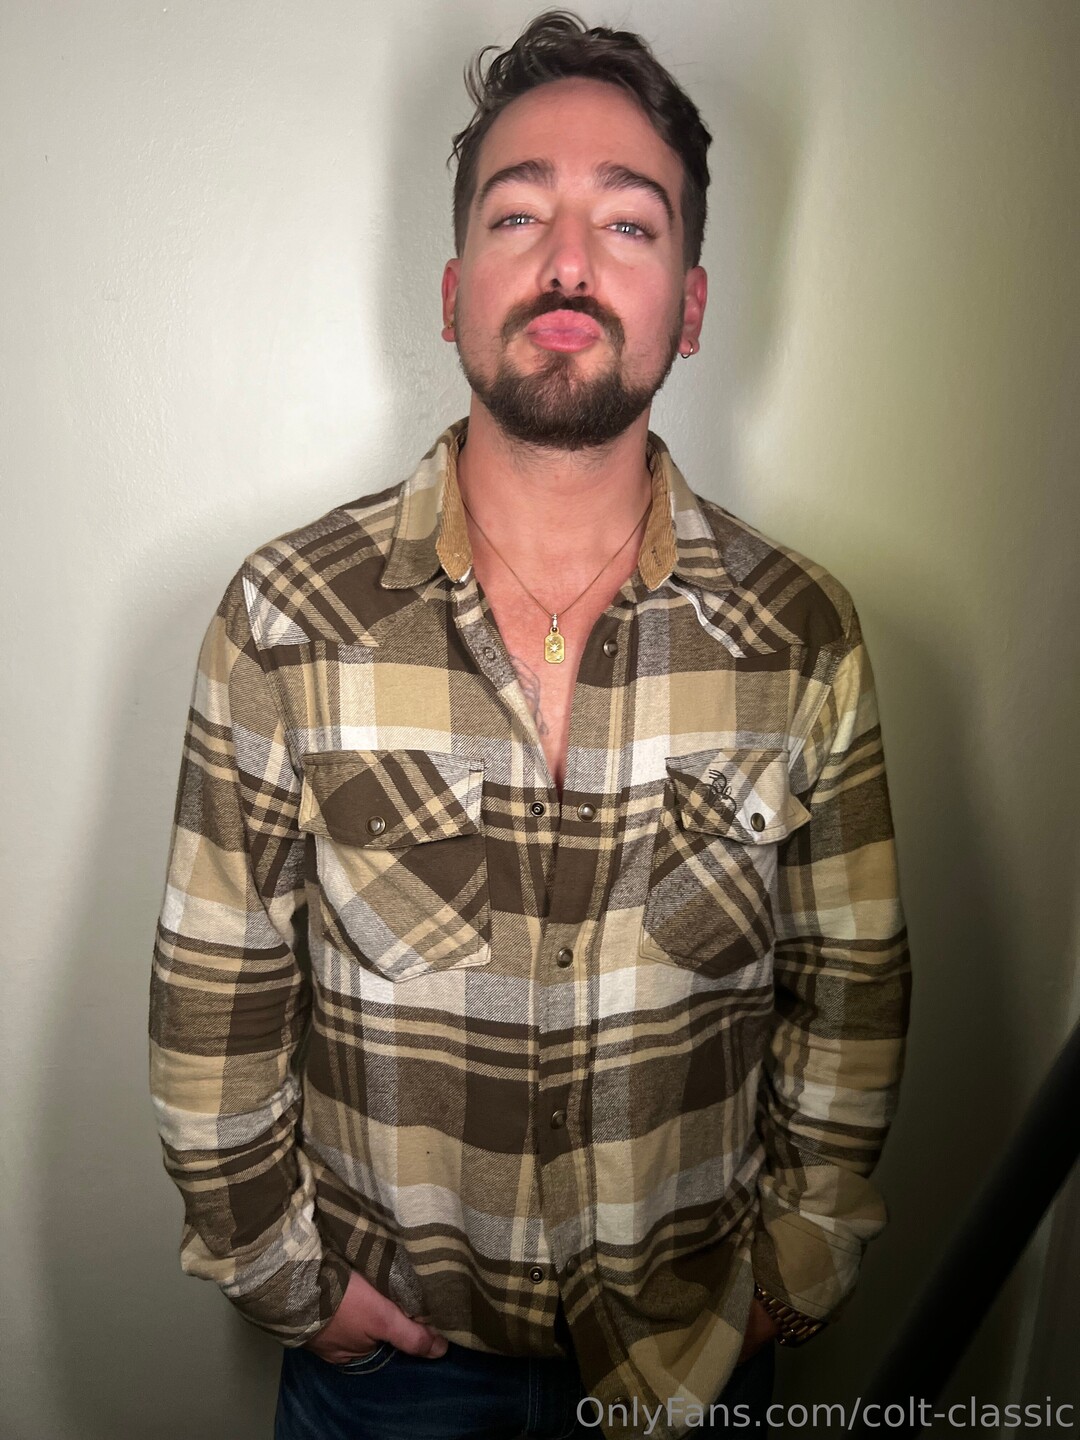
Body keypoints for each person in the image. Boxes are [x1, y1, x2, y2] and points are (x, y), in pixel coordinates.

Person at [149, 12, 911, 1440]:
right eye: (519, 214)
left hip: (700, 1362)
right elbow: (216, 1001)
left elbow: (850, 987)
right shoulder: (284, 618)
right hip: (395, 1378)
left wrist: (796, 1266)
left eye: (628, 223)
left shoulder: (803, 634)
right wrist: (284, 1278)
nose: (568, 261)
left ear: (690, 303)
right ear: (454, 293)